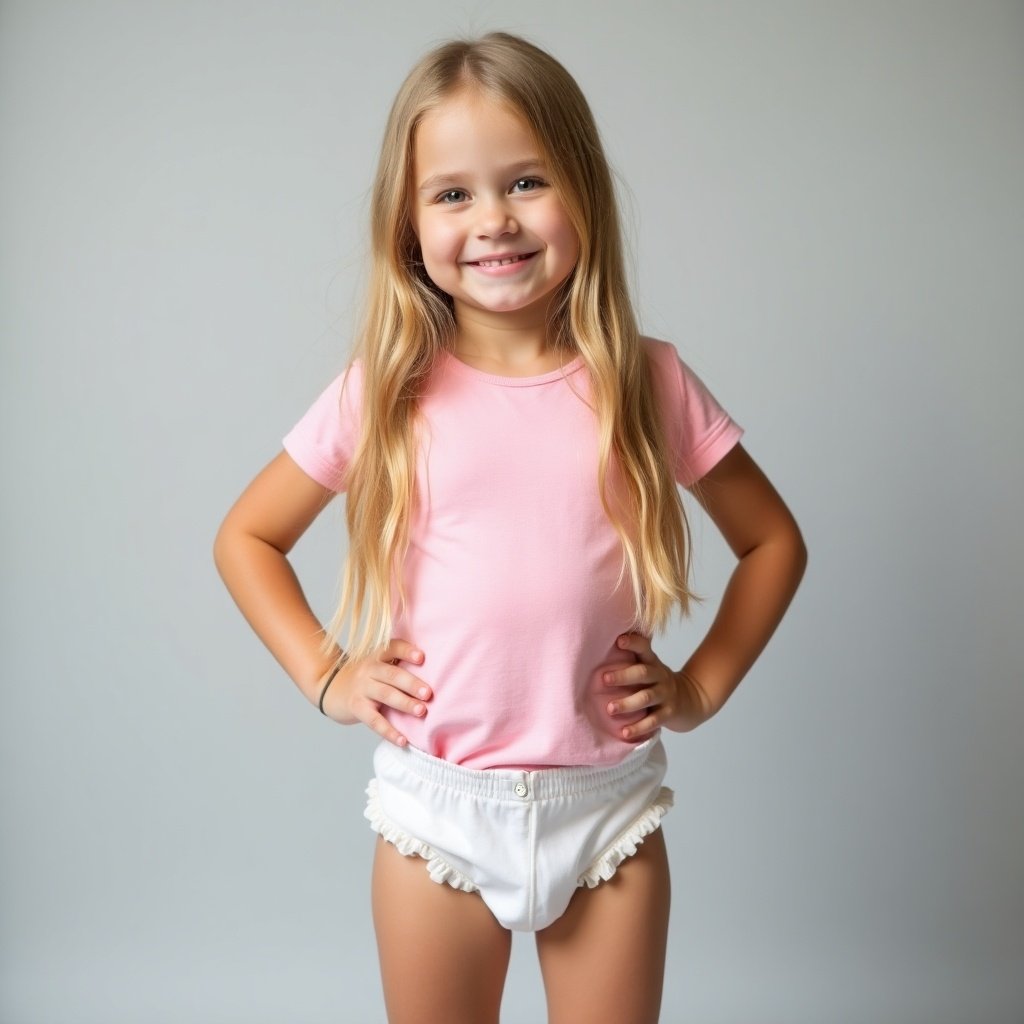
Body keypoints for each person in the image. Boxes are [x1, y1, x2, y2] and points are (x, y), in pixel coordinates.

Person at [214, 30, 806, 1024]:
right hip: (434, 814)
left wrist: (699, 685)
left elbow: (772, 541)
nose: (493, 220)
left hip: (606, 811)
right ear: (407, 225)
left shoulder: (646, 380)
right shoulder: (387, 391)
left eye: (526, 181)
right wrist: (327, 674)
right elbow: (248, 537)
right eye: (452, 193)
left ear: (582, 190)